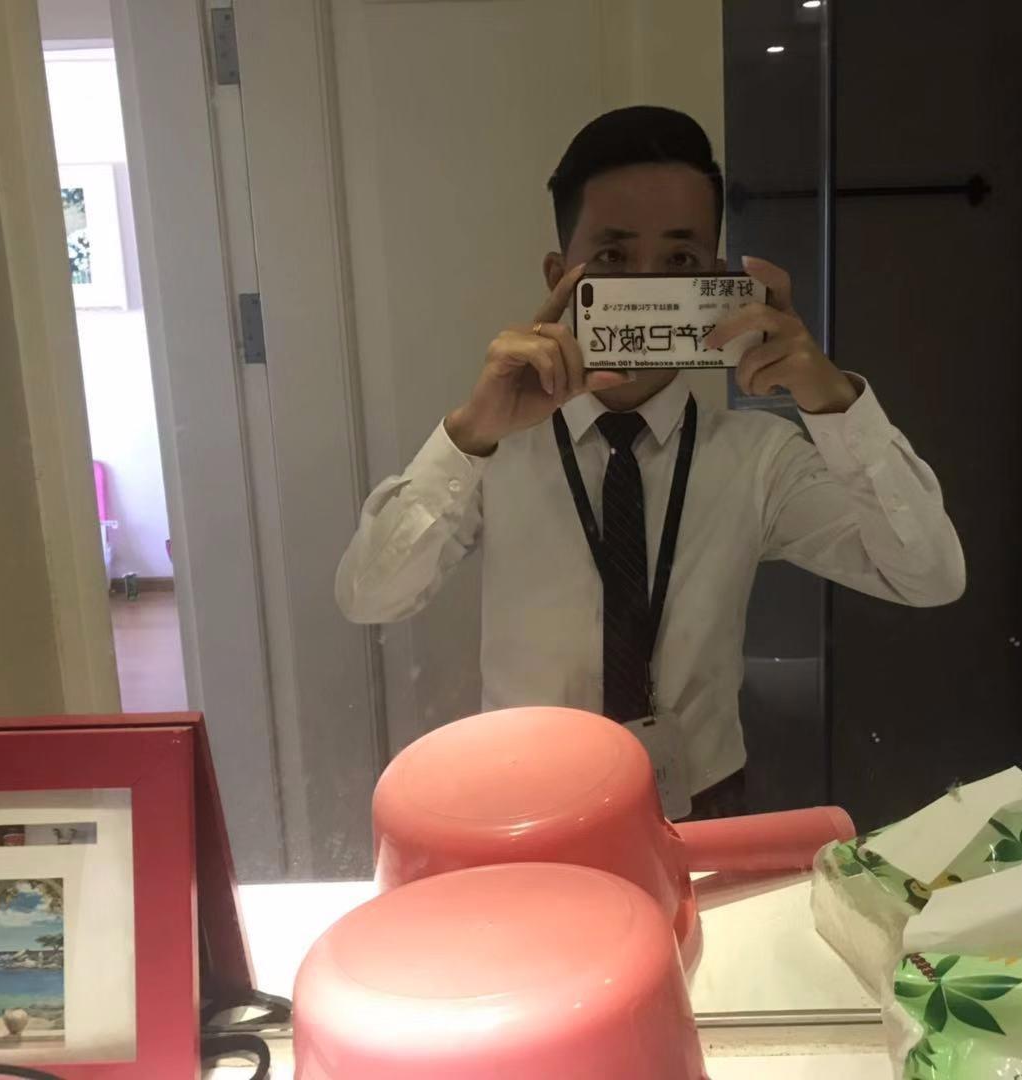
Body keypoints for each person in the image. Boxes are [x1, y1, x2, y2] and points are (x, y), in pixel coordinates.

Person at [336, 106, 964, 819]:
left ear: (717, 281)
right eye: (612, 258)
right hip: (526, 804)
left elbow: (929, 576)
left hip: (705, 805)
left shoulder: (759, 459)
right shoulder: (492, 450)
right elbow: (369, 596)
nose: (646, 286)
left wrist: (834, 404)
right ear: (560, 275)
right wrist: (469, 434)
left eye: (680, 262)